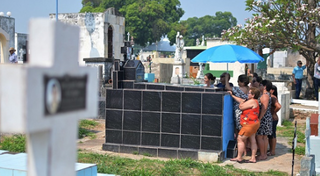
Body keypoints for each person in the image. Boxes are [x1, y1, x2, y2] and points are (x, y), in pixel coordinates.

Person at [229, 87, 261, 163]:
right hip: (254, 123)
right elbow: (241, 100)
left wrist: (242, 102)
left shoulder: (252, 101)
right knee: (253, 140)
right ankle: (253, 158)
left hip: (249, 125)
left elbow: (241, 106)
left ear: (253, 95)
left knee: (240, 139)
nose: (247, 94)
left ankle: (239, 157)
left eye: (249, 93)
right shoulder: (253, 101)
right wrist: (232, 95)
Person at [256, 80, 273, 161]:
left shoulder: (265, 96)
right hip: (266, 117)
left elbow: (264, 108)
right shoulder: (266, 95)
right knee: (264, 137)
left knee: (260, 136)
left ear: (265, 86)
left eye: (261, 85)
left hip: (264, 118)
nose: (260, 86)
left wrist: (259, 118)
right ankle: (264, 153)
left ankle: (263, 154)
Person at [268, 85, 281, 156]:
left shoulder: (273, 97)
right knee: (270, 134)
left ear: (272, 90)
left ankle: (272, 151)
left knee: (272, 134)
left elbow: (278, 106)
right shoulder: (272, 97)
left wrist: (273, 113)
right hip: (273, 118)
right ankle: (271, 149)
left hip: (273, 118)